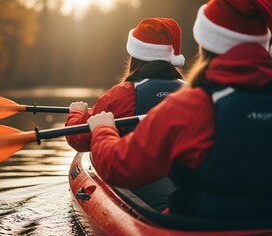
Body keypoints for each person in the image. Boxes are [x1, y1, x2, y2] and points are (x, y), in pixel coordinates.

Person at [87, 0, 272, 220]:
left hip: (201, 231)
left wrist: (103, 130)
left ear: (207, 45)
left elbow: (119, 167)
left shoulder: (188, 107)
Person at [65, 18, 186, 210]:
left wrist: (75, 114)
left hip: (141, 179)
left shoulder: (121, 94)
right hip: (185, 176)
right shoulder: (196, 92)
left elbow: (78, 139)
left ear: (135, 55)